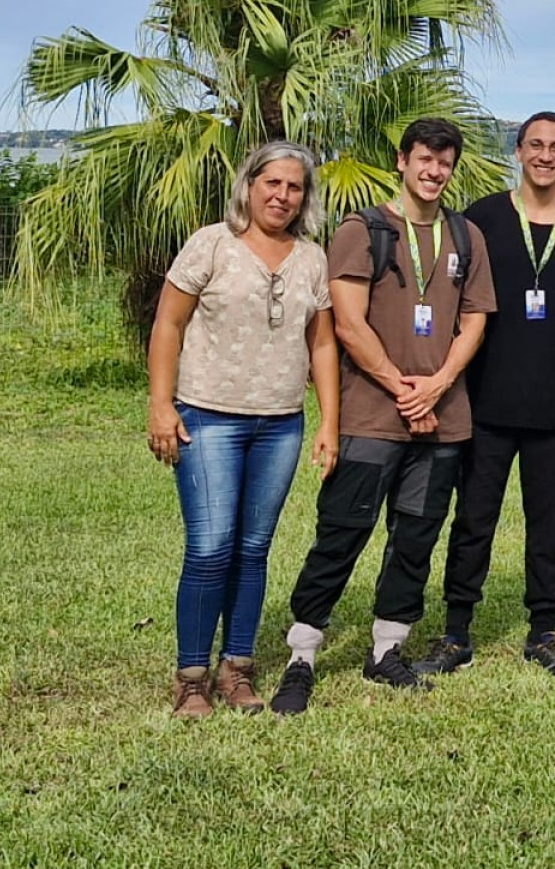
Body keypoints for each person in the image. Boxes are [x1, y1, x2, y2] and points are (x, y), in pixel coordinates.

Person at [268, 119, 495, 715]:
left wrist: (439, 384)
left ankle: (385, 650)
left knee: (416, 536)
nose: (433, 171)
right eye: (423, 159)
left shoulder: (466, 235)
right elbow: (347, 323)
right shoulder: (363, 229)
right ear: (402, 161)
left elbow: (474, 320)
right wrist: (402, 388)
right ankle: (303, 653)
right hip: (372, 416)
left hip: (443, 420)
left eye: (444, 162)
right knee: (342, 532)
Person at [414, 112, 555, 679]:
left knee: (549, 521)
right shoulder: (480, 220)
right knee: (473, 518)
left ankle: (544, 630)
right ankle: (456, 631)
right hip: (486, 399)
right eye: (535, 145)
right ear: (518, 151)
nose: (546, 155)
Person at [146, 141, 338, 719]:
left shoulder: (311, 258)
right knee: (209, 549)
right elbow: (167, 324)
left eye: (294, 186)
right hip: (207, 416)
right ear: (249, 185)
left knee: (253, 550)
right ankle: (192, 678)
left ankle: (238, 669)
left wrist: (329, 420)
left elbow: (322, 341)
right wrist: (160, 404)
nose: (282, 195)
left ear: (306, 197)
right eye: (271, 183)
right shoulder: (211, 244)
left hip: (280, 423)